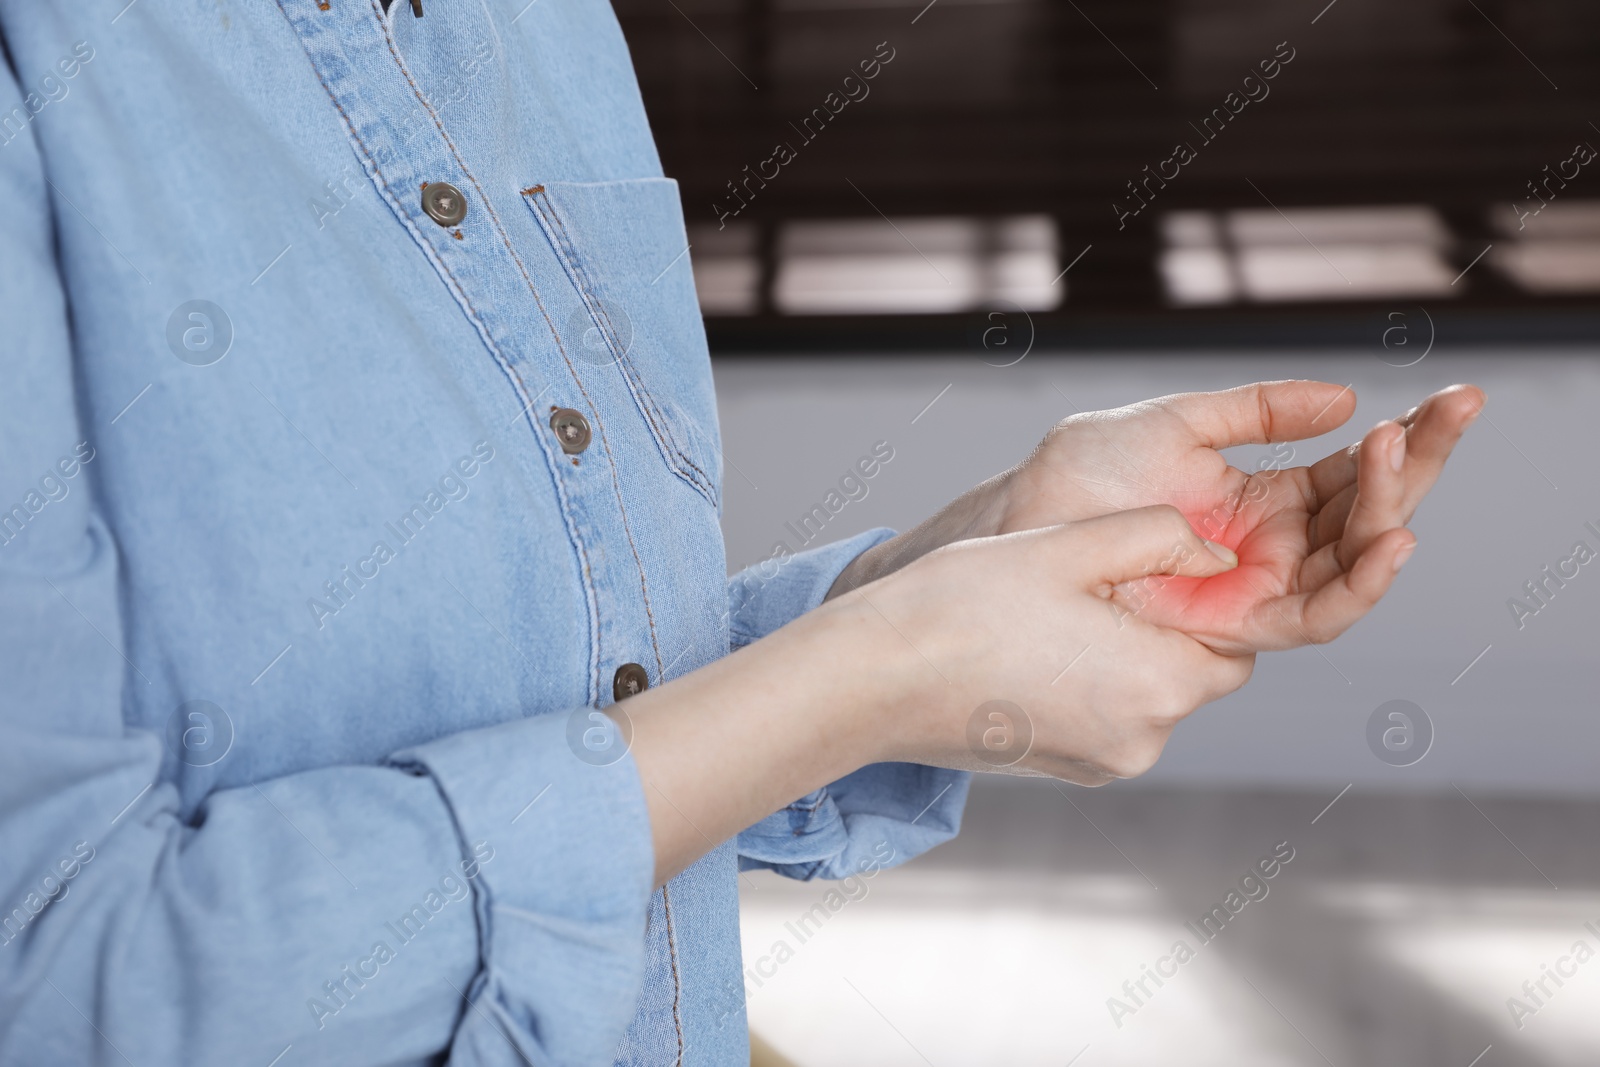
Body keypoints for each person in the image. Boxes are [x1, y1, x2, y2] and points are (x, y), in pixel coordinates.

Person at [0, 3, 1481, 1065]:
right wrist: (886, 668)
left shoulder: (543, 27)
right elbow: (60, 990)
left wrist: (954, 568)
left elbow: (562, 697)